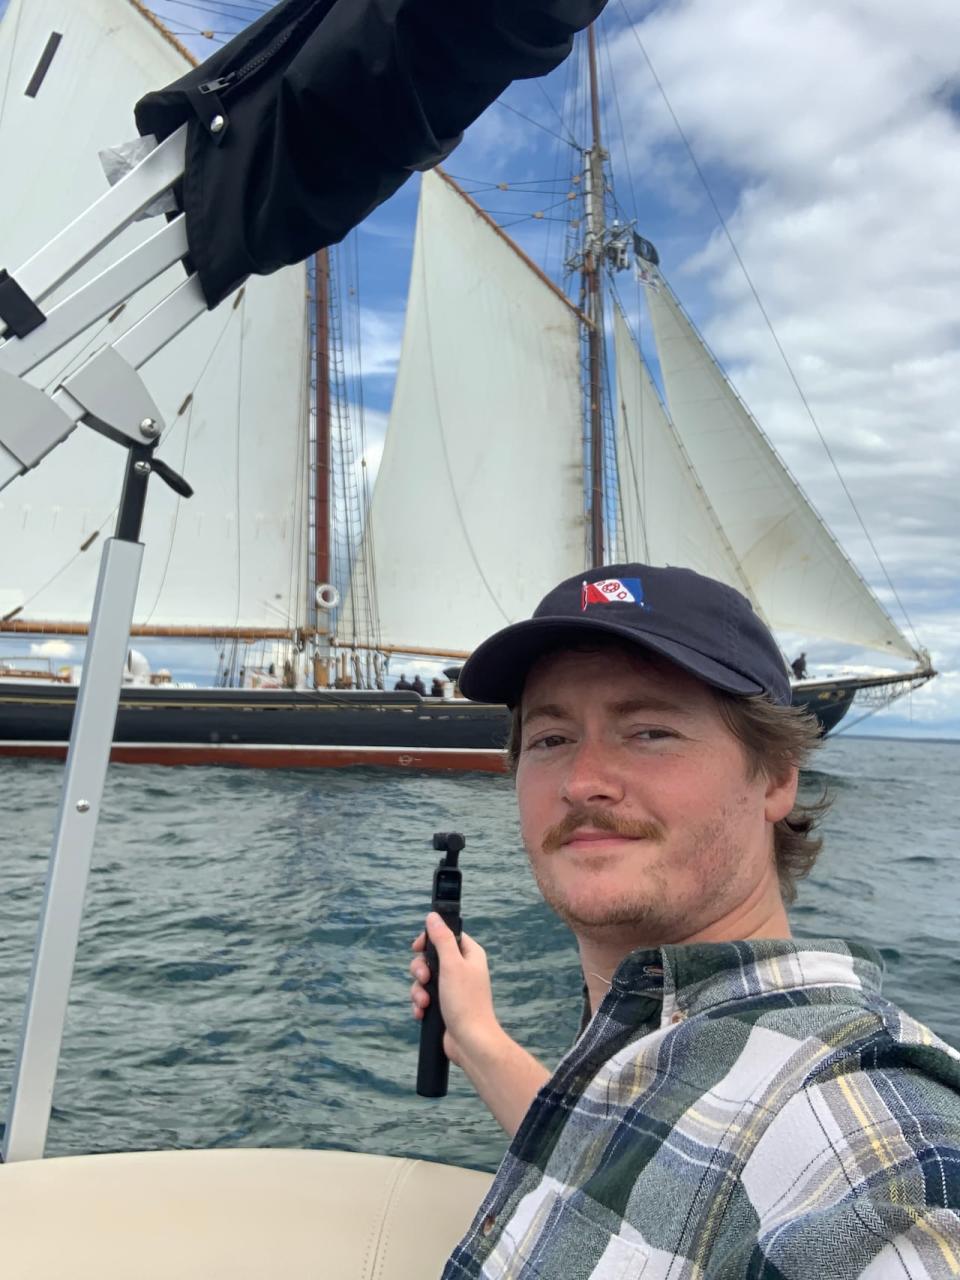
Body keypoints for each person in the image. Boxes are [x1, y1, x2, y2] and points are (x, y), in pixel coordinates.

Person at [409, 563, 960, 1278]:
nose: (583, 782)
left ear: (777, 775)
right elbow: (635, 1169)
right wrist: (476, 1038)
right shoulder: (663, 1045)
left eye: (650, 731)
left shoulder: (868, 1132)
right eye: (550, 740)